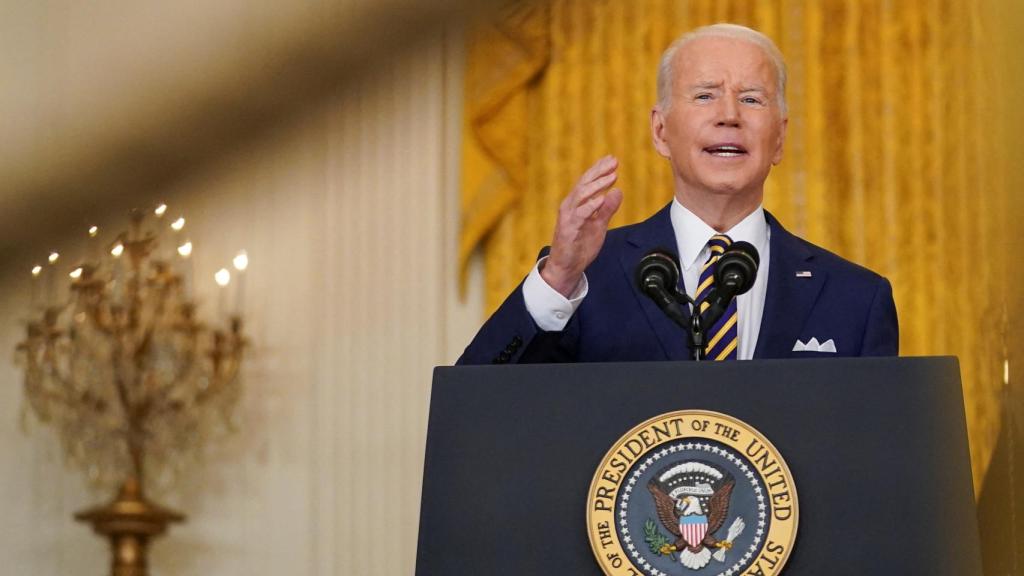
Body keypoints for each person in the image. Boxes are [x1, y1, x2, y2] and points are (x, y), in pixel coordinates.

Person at [457, 23, 898, 365]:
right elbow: (478, 404)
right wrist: (557, 279)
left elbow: (878, 456)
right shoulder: (587, 277)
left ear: (779, 138)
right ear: (661, 130)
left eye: (751, 99)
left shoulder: (855, 298)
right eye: (705, 96)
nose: (728, 115)